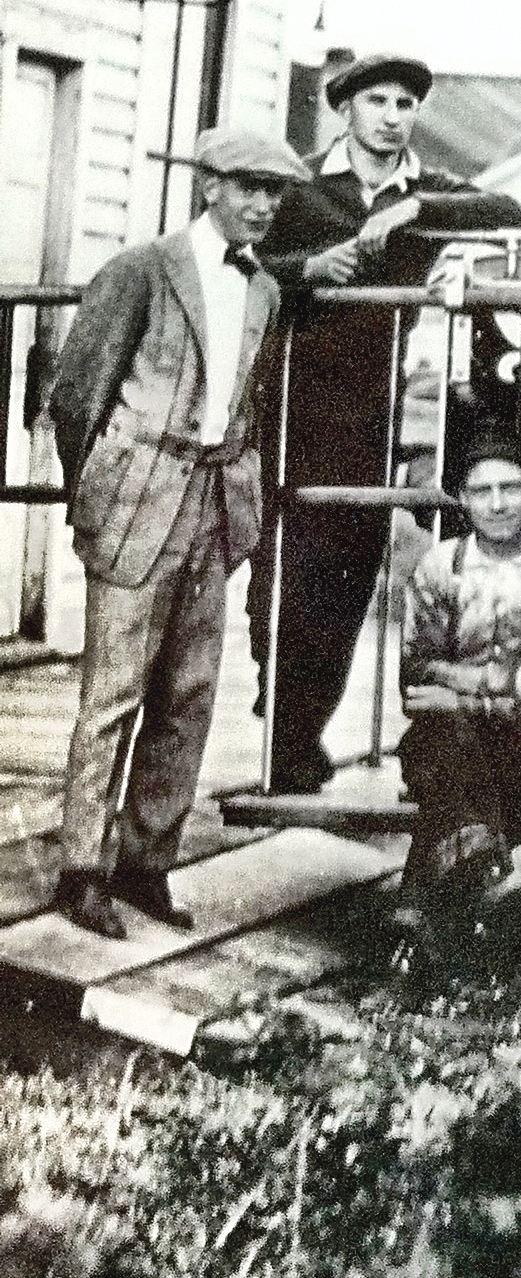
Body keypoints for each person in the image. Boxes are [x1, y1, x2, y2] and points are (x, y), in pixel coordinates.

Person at [47, 129, 303, 939]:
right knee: (114, 690)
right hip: (138, 498)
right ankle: (81, 869)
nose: (263, 205)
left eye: (275, 192)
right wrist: (102, 489)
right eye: (249, 187)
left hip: (215, 501)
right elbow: (78, 395)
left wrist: (241, 495)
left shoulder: (261, 289)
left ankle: (145, 862)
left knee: (189, 692)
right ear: (209, 188)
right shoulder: (141, 271)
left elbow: (250, 406)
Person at [252, 52, 521, 794]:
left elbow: (510, 213)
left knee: (349, 565)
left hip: (377, 407)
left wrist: (418, 212)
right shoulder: (302, 189)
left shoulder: (425, 188)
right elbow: (240, 263)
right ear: (346, 107)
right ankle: (283, 729)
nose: (392, 115)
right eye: (377, 99)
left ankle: (304, 732)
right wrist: (310, 269)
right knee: (287, 570)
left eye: (406, 102)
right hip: (294, 400)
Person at [394, 428, 521, 955]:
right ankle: (488, 883)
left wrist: (460, 693)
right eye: (481, 491)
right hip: (460, 745)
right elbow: (415, 678)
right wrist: (508, 681)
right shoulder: (442, 566)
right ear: (462, 499)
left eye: (509, 488)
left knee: (451, 749)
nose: (497, 504)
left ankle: (424, 902)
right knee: (444, 740)